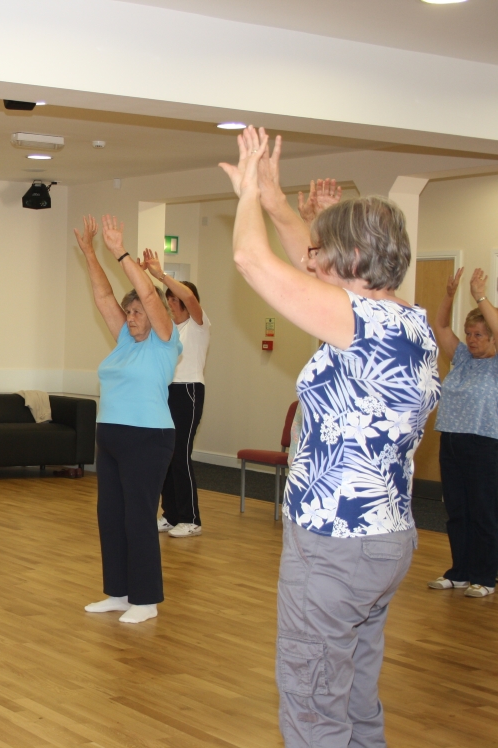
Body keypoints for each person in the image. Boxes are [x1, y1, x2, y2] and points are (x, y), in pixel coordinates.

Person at [223, 126, 439, 746]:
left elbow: (252, 261)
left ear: (352, 258)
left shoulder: (360, 324)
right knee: (353, 695)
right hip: (381, 540)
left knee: (313, 700)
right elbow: (310, 267)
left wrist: (248, 193)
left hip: (336, 545)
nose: (312, 259)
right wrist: (276, 203)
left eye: (325, 251)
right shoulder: (406, 322)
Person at [76, 215, 181, 625]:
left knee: (138, 518)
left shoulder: (164, 341)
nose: (132, 315)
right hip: (112, 439)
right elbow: (104, 296)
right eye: (129, 311)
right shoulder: (124, 340)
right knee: (111, 517)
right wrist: (89, 252)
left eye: (137, 310)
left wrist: (119, 251)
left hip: (148, 439)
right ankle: (119, 594)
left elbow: (151, 296)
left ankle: (146, 600)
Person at [428, 267, 498, 598]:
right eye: (469, 333)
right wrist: (449, 294)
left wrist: (479, 296)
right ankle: (460, 572)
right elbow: (441, 326)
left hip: (486, 445)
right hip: (452, 441)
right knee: (457, 511)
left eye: (479, 334)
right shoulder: (462, 359)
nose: (471, 339)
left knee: (484, 512)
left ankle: (485, 576)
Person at [142, 248, 210, 538]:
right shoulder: (169, 330)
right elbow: (150, 306)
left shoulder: (199, 324)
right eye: (168, 299)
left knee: (181, 454)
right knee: (167, 455)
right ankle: (171, 514)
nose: (170, 303)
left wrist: (161, 275)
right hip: (168, 392)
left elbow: (190, 298)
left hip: (189, 391)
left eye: (174, 299)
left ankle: (191, 518)